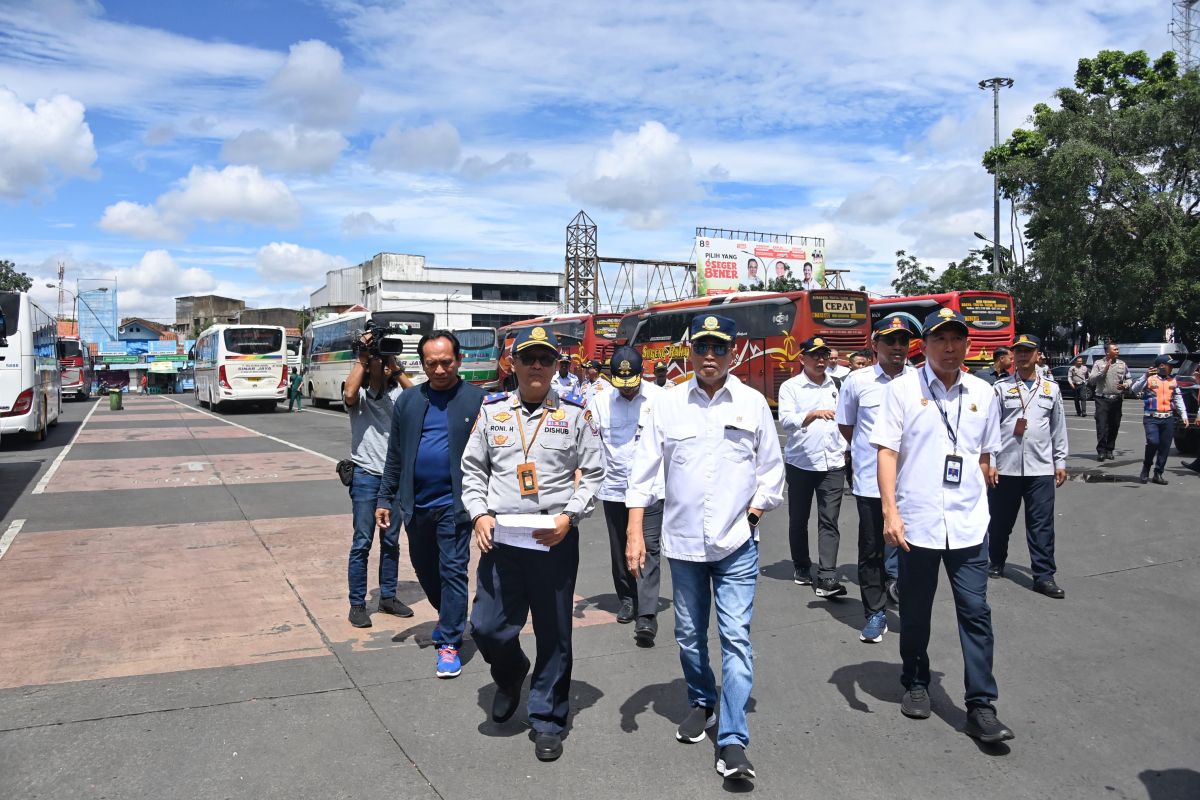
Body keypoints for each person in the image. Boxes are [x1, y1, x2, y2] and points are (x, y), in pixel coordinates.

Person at [626, 314, 785, 782]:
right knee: (690, 636)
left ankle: (733, 740)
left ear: (732, 352)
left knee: (736, 638)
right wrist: (636, 531)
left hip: (737, 545)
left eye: (719, 348)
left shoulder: (753, 404)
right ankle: (702, 699)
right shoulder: (667, 404)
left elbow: (771, 473)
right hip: (683, 543)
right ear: (689, 352)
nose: (710, 356)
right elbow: (644, 470)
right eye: (702, 348)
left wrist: (752, 518)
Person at [871, 307, 1014, 744]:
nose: (949, 348)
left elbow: (986, 451)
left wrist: (986, 471)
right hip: (918, 525)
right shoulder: (901, 390)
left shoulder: (984, 393)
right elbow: (887, 454)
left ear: (968, 345)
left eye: (957, 340)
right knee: (915, 611)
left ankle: (981, 705)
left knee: (976, 612)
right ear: (925, 345)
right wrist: (890, 512)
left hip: (969, 524)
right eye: (940, 340)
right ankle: (915, 679)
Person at [461, 325, 603, 763]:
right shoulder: (492, 411)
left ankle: (547, 718)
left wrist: (569, 516)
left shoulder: (577, 413)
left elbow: (595, 474)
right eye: (529, 358)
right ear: (514, 365)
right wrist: (479, 514)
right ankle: (510, 674)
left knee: (554, 633)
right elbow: (472, 472)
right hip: (501, 539)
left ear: (557, 364)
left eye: (545, 358)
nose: (537, 366)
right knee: (486, 626)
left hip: (552, 538)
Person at [376, 330, 484, 677]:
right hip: (415, 506)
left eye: (446, 362)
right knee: (425, 568)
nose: (439, 370)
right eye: (431, 363)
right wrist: (385, 498)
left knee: (453, 570)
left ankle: (450, 640)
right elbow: (395, 455)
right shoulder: (408, 402)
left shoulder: (478, 401)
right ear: (422, 364)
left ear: (459, 360)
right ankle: (450, 615)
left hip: (457, 505)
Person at [836, 313, 919, 643]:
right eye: (890, 341)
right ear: (875, 345)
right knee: (871, 550)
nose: (898, 347)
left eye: (903, 341)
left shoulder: (919, 380)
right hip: (871, 482)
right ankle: (874, 613)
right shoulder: (857, 382)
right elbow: (847, 426)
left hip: (912, 483)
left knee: (913, 550)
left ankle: (910, 606)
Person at [590, 346, 664, 644]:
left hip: (650, 488)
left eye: (631, 385)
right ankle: (627, 598)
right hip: (615, 487)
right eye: (620, 386)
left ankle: (646, 614)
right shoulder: (599, 402)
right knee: (619, 547)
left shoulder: (661, 400)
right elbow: (592, 445)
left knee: (650, 547)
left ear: (641, 373)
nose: (626, 391)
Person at [987, 334, 1069, 599]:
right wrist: (989, 461)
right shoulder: (1001, 388)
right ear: (1012, 356)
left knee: (1041, 525)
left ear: (1037, 355)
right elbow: (989, 428)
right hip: (1006, 467)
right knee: (1000, 522)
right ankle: (996, 560)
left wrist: (1060, 460)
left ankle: (1044, 576)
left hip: (1041, 468)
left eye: (1027, 351)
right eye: (1018, 351)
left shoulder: (1051, 389)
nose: (1022, 356)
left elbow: (1058, 427)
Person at [344, 331, 414, 628]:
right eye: (378, 361)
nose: (380, 366)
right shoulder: (358, 395)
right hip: (365, 476)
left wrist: (394, 367)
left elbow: (421, 398)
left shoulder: (399, 395)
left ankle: (387, 596)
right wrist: (363, 356)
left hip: (393, 479)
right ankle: (357, 603)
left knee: (392, 542)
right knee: (362, 542)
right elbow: (348, 393)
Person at [778, 337, 846, 597]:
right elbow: (786, 420)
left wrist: (847, 450)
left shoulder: (838, 384)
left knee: (830, 520)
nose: (820, 360)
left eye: (824, 355)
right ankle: (802, 565)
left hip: (833, 463)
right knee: (799, 518)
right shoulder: (791, 387)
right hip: (802, 463)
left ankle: (828, 575)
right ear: (802, 358)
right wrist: (813, 414)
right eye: (815, 356)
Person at [1130, 355, 1188, 485]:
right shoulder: (1149, 378)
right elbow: (1134, 389)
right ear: (1161, 366)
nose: (1172, 367)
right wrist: (1145, 376)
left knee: (1165, 447)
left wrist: (1184, 415)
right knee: (1153, 442)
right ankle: (1146, 468)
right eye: (1169, 365)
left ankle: (1158, 473)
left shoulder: (1172, 381)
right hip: (1151, 418)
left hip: (1168, 419)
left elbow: (1178, 399)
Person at [1088, 343, 1130, 461]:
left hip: (1116, 399)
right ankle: (1101, 451)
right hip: (1102, 399)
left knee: (1114, 425)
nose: (1117, 351)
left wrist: (1126, 385)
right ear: (1107, 352)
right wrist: (1103, 371)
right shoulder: (1098, 364)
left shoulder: (1122, 364)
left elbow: (1129, 378)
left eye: (1117, 349)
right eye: (1115, 349)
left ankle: (1109, 449)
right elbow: (1091, 380)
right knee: (1102, 425)